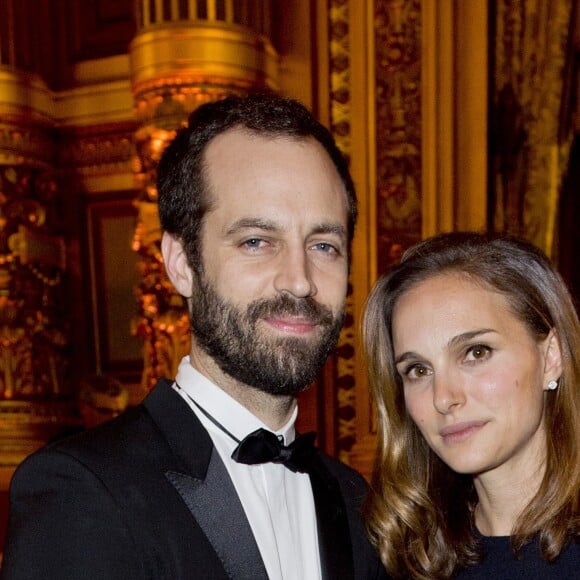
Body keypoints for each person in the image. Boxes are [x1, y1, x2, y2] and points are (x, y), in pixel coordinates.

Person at [0, 93, 387, 580]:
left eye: (324, 245)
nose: (299, 279)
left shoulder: (356, 502)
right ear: (181, 264)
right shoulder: (83, 490)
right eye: (256, 241)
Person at [362, 231, 580, 579]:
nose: (444, 398)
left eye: (476, 353)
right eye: (418, 370)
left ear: (550, 356)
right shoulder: (405, 558)